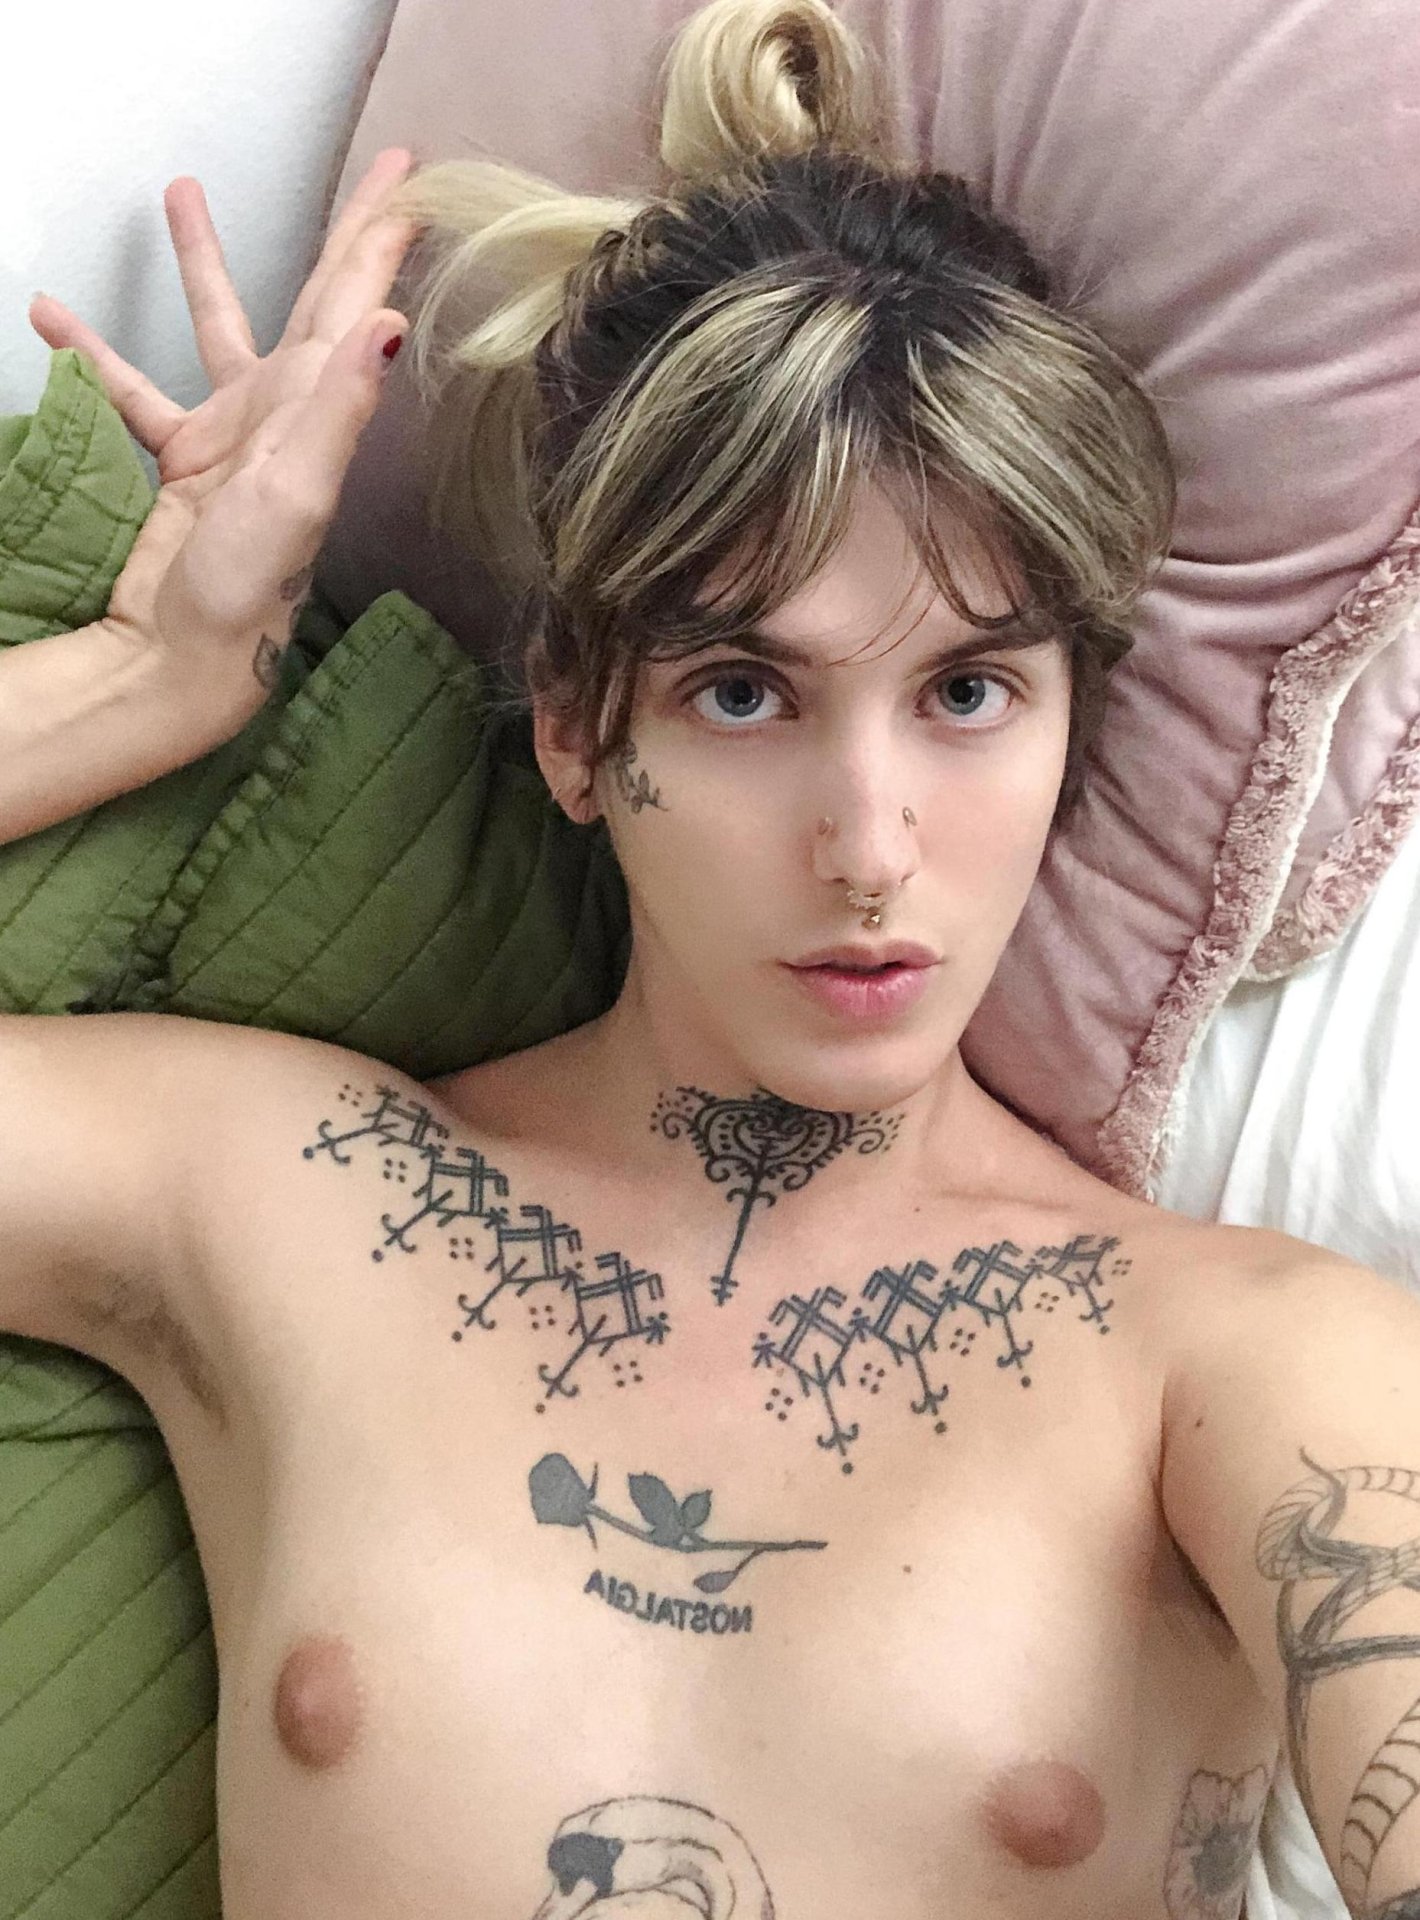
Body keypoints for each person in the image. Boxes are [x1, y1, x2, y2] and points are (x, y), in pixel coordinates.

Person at [6, 2, 1420, 1916]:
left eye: (969, 692)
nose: (871, 846)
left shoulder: (1244, 1361)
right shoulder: (287, 1199)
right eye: (746, 692)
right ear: (577, 730)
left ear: (1074, 725)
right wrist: (147, 677)